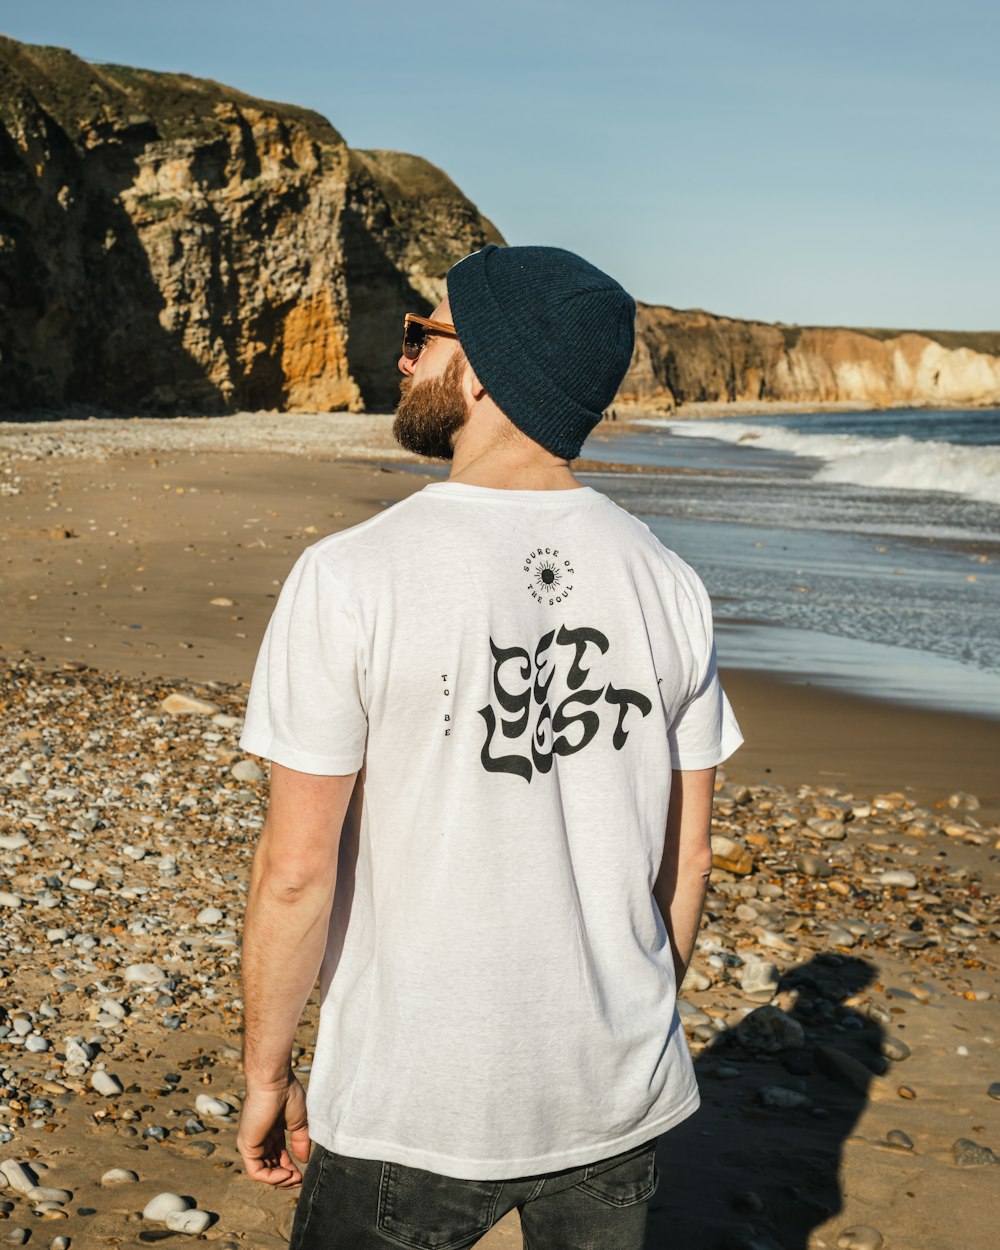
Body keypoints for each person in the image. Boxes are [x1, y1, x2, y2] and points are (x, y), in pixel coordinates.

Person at [235, 243, 743, 1249]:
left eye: (421, 336)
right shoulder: (667, 580)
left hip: (411, 1095)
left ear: (481, 368)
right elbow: (685, 856)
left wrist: (266, 1073)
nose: (404, 359)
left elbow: (296, 871)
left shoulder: (353, 576)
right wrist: (624, 1018)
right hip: (612, 1088)